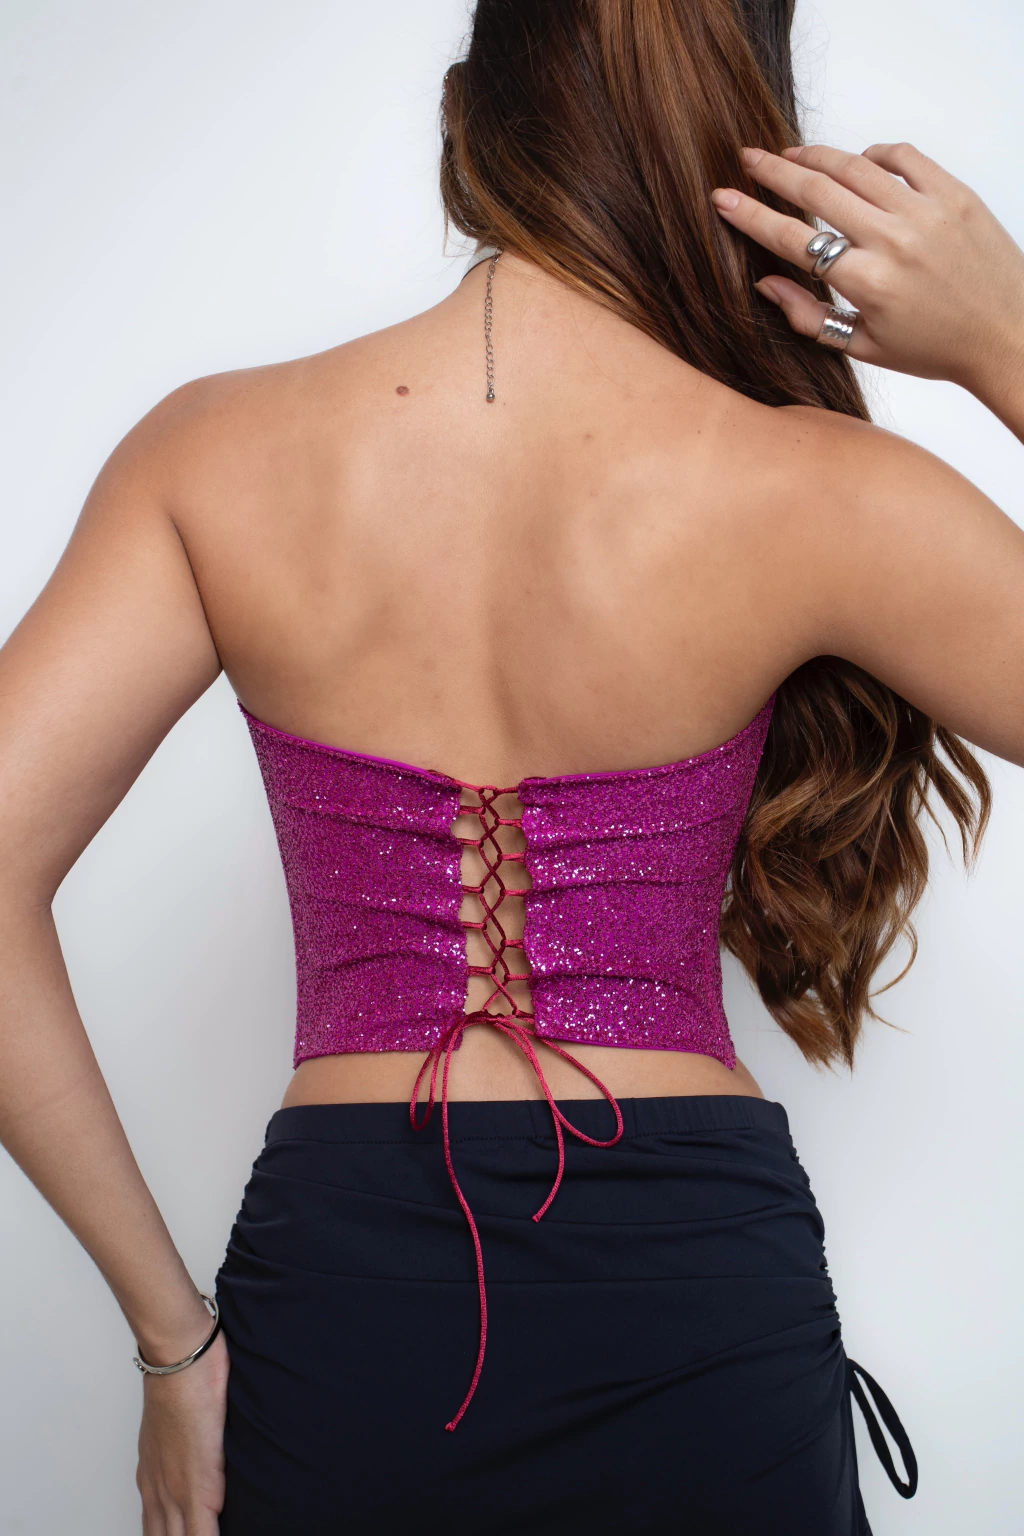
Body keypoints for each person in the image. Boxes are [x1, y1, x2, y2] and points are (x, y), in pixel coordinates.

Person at [1, 1, 1022, 1533]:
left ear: (469, 121)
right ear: (753, 132)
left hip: (345, 1301)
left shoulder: (210, 454)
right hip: (697, 1294)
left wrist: (173, 1347)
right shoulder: (818, 492)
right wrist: (1008, 338)